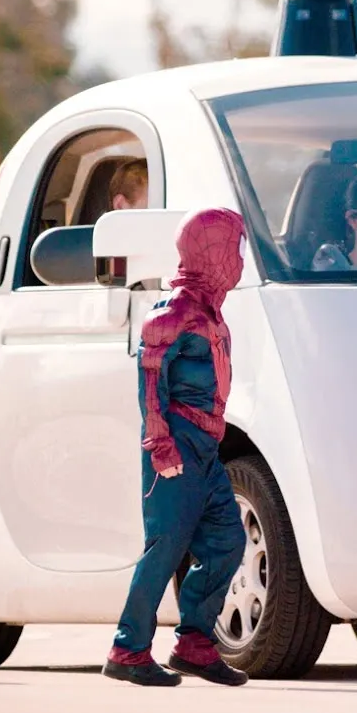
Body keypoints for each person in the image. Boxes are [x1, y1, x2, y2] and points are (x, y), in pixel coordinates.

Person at [104, 208, 250, 687]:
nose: (238, 260)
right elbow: (149, 384)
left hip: (204, 447)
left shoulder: (209, 312)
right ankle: (128, 649)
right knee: (165, 547)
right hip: (178, 441)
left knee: (227, 541)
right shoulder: (174, 312)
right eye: (232, 249)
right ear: (211, 253)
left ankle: (195, 643)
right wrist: (159, 443)